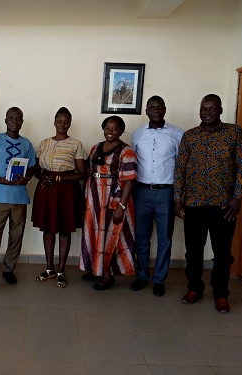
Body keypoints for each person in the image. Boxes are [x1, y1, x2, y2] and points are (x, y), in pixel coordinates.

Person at [174, 94, 242, 313]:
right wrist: (178, 199)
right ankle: (194, 288)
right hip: (194, 204)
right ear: (199, 110)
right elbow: (180, 169)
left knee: (222, 253)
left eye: (212, 109)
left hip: (224, 205)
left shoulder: (234, 133)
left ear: (220, 110)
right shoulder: (189, 136)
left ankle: (221, 294)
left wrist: (237, 197)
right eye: (204, 109)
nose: (207, 112)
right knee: (193, 252)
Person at [0, 107, 36, 297]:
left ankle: (8, 269)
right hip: (0, 196)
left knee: (16, 236)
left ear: (22, 121)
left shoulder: (27, 144)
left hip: (19, 197)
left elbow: (32, 166)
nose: (15, 121)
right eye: (11, 118)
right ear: (6, 120)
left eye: (18, 118)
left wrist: (26, 178)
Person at [130, 96, 184, 297]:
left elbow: (181, 165)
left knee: (165, 238)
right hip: (142, 191)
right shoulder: (137, 134)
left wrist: (179, 196)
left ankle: (160, 279)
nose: (155, 110)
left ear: (164, 109)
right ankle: (142, 276)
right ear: (146, 110)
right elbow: (132, 162)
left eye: (159, 107)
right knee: (142, 238)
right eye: (152, 107)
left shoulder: (178, 133)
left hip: (166, 192)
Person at [79, 116, 137, 290]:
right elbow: (90, 173)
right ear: (103, 128)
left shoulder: (127, 151)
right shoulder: (96, 148)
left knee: (111, 235)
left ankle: (107, 275)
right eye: (108, 128)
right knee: (95, 233)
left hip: (114, 198)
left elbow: (129, 181)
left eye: (115, 128)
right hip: (94, 196)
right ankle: (96, 268)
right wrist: (85, 198)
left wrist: (122, 206)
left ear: (121, 131)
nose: (111, 131)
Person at [32, 107, 87, 288]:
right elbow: (36, 168)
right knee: (48, 229)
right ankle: (49, 269)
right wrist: (42, 178)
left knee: (64, 230)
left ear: (70, 123)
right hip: (46, 190)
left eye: (66, 121)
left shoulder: (76, 144)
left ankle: (61, 271)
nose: (62, 124)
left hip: (66, 191)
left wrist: (57, 178)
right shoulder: (44, 143)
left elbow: (82, 173)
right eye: (59, 120)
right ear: (54, 122)